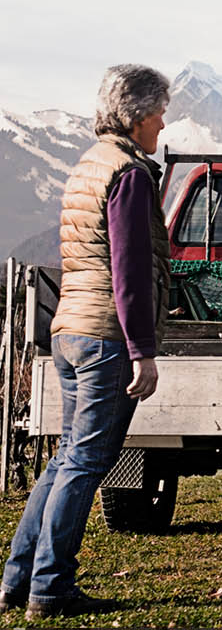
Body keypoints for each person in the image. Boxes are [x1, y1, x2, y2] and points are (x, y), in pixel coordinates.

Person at [1, 65, 170, 619]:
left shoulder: (87, 166)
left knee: (64, 460)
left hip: (70, 329)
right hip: (106, 336)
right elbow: (129, 269)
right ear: (140, 115)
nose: (163, 123)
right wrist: (142, 350)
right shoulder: (129, 173)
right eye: (160, 112)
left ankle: (17, 579)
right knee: (86, 462)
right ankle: (50, 589)